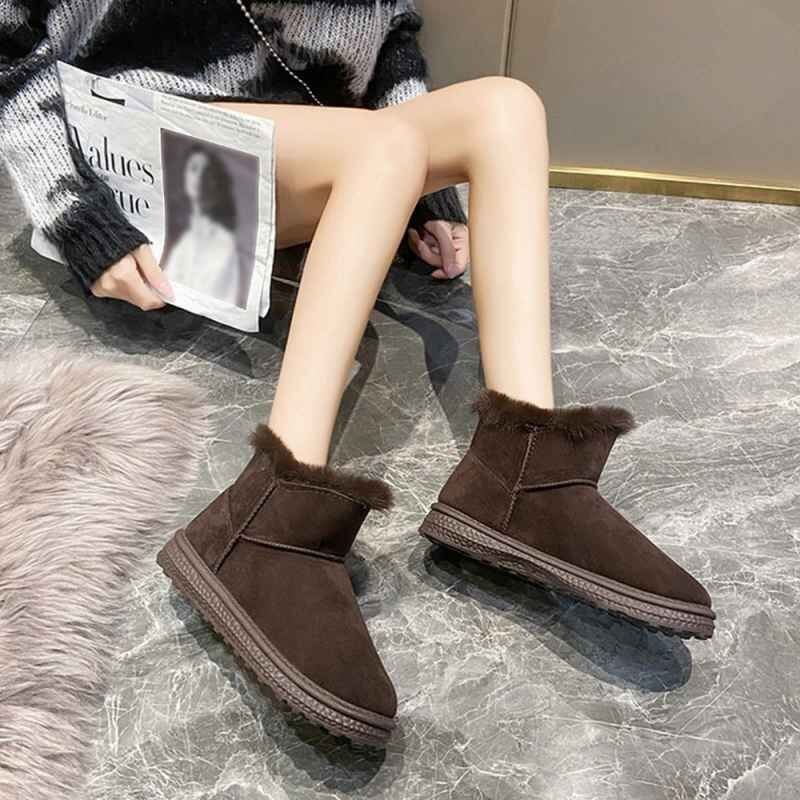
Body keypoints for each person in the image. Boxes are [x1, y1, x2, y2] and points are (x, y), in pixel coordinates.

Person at [0, 1, 714, 748]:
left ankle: (522, 468)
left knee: (507, 107)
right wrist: (76, 213)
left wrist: (425, 196)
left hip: (310, 148)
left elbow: (390, 30)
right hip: (140, 149)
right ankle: (266, 511)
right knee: (385, 146)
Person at [162, 144, 245, 307]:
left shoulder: (224, 242)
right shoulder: (185, 240)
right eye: (194, 169)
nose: (199, 178)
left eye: (206, 172)